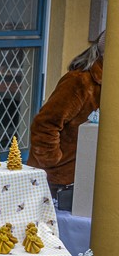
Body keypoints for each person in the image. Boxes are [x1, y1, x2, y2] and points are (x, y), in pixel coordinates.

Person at [27, 30, 105, 201]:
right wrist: (53, 161)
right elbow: (45, 124)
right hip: (58, 181)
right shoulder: (79, 81)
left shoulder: (106, 83)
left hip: (85, 178)